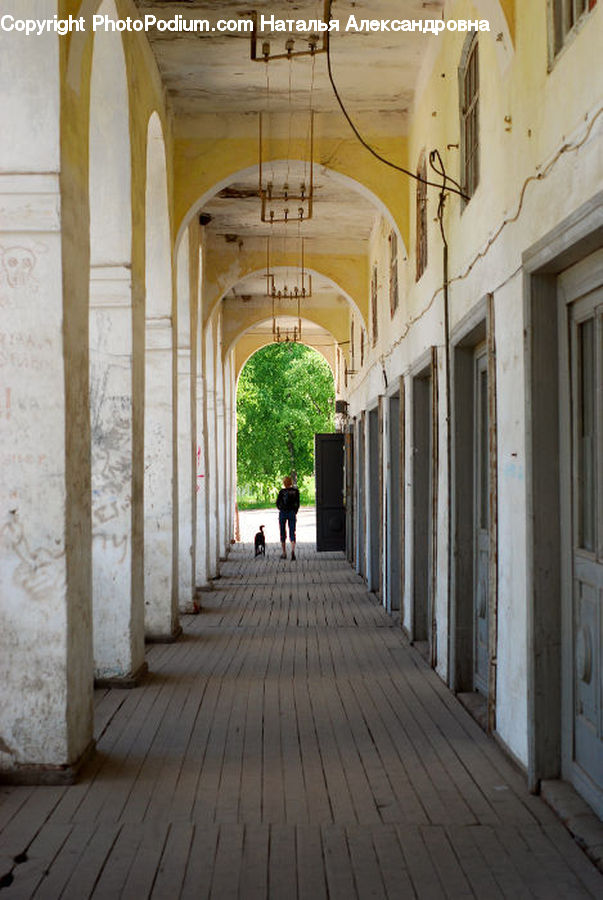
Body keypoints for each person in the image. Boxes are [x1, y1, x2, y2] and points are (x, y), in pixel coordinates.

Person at [276, 475, 300, 560]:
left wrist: (281, 508)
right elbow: (298, 503)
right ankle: (293, 550)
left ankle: (284, 553)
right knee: (292, 531)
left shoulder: (282, 492)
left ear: (284, 483)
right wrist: (294, 511)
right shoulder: (295, 491)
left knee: (283, 531)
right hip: (292, 513)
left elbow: (277, 503)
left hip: (283, 513)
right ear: (291, 483)